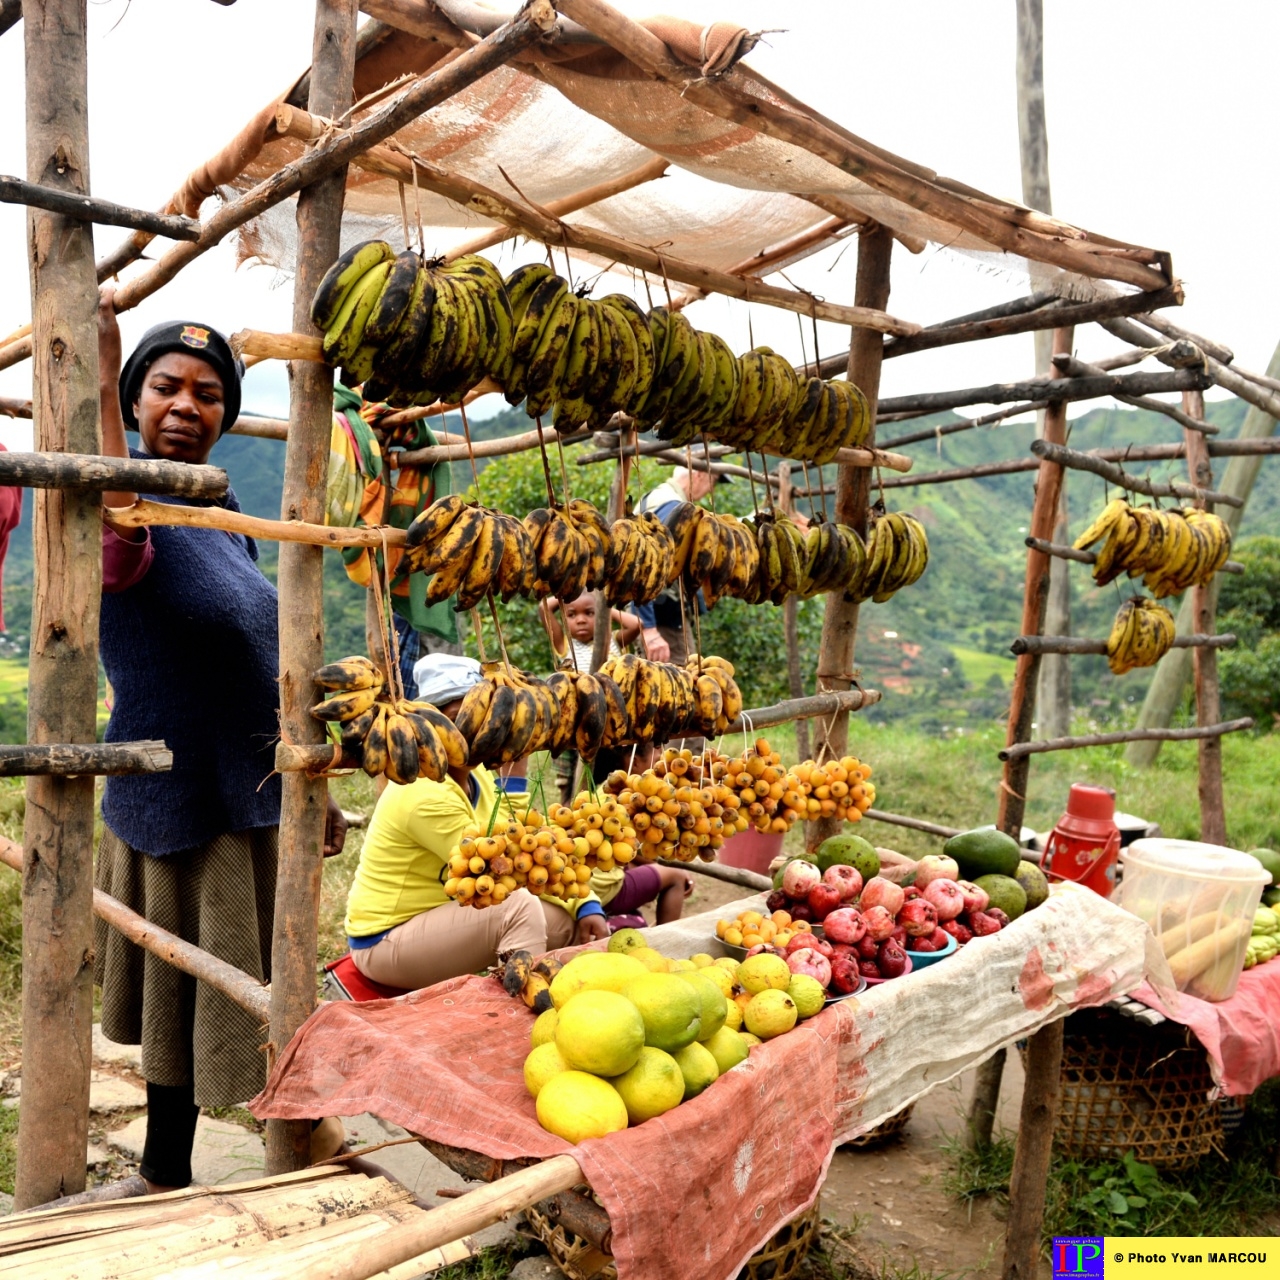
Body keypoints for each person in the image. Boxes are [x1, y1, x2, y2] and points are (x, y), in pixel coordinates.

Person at [91, 294, 348, 1195]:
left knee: (255, 982)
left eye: (208, 394)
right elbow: (113, 527)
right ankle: (164, 1171)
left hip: (251, 786)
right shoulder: (118, 502)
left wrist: (312, 786)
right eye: (164, 387)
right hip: (175, 794)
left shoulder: (224, 510)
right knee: (181, 989)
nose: (186, 406)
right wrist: (98, 348)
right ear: (130, 402)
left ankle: (301, 1140)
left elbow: (258, 654)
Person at [344, 654, 609, 991]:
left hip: (446, 914)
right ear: (432, 727)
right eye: (458, 719)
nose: (473, 730)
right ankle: (516, 1015)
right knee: (520, 907)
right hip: (385, 941)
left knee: (567, 923)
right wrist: (516, 776)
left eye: (481, 718)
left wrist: (585, 905)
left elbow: (517, 838)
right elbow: (505, 869)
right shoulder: (422, 794)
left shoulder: (476, 773)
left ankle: (578, 998)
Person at [587, 742, 694, 927]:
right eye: (657, 756)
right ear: (635, 762)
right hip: (602, 890)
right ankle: (663, 942)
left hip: (588, 883)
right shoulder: (631, 804)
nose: (662, 758)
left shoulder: (605, 792)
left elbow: (629, 852)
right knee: (677, 876)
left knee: (654, 870)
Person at [635, 466, 729, 664]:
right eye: (712, 482)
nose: (711, 490)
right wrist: (649, 629)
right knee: (678, 685)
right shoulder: (674, 508)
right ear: (699, 475)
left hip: (663, 617)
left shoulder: (657, 497)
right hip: (661, 622)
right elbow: (642, 565)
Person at [539, 592, 641, 673]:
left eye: (589, 613)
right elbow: (544, 608)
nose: (581, 620)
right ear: (563, 619)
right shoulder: (564, 645)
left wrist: (604, 608)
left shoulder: (612, 639)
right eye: (571, 615)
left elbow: (636, 625)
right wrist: (569, 591)